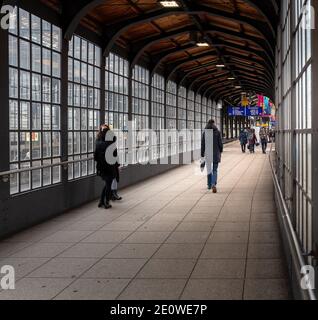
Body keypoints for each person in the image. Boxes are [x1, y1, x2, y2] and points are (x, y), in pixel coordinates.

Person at [94, 125, 117, 209]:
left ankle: (101, 201)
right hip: (109, 167)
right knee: (108, 184)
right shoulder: (110, 143)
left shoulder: (98, 142)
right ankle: (106, 202)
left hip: (101, 167)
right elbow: (115, 156)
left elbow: (95, 157)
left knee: (107, 184)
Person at [201, 119, 223, 193]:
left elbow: (203, 145)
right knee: (215, 170)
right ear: (214, 124)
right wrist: (220, 150)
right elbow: (220, 143)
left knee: (209, 170)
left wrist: (202, 154)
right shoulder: (217, 132)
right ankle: (214, 184)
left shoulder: (205, 133)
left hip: (208, 154)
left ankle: (209, 185)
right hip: (216, 153)